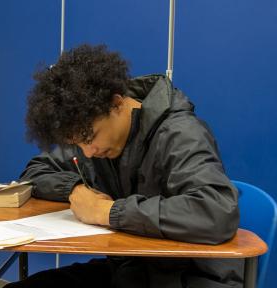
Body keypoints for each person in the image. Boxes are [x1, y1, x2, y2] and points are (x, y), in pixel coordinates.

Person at [12, 44, 241, 287]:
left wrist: (108, 212)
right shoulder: (91, 134)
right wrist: (75, 189)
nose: (88, 151)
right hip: (132, 270)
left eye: (89, 138)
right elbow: (35, 172)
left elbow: (217, 211)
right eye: (77, 144)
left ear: (117, 104)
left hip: (188, 276)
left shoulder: (180, 133)